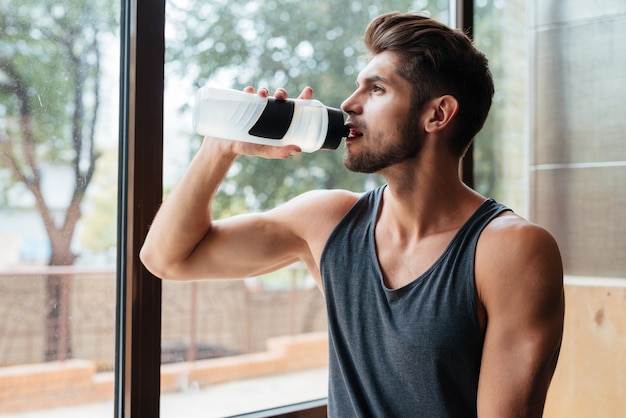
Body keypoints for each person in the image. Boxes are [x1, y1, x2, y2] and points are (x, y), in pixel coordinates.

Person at [141, 12, 565, 417]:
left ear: (438, 114)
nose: (349, 103)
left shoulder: (510, 251)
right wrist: (221, 146)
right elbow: (166, 258)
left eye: (376, 89)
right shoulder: (326, 221)